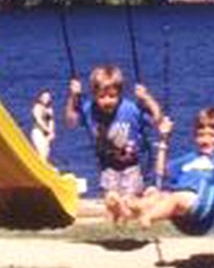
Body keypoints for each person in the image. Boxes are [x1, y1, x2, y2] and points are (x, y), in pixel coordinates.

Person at [66, 64, 163, 225]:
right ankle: (117, 222)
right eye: (102, 97)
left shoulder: (130, 109)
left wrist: (146, 98)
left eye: (112, 96)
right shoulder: (90, 109)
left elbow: (157, 120)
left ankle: (136, 210)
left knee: (128, 202)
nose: (107, 101)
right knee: (111, 202)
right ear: (94, 95)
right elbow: (70, 121)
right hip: (107, 165)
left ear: (120, 94)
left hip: (132, 164)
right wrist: (73, 97)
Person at [134, 104, 214, 235]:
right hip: (183, 215)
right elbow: (162, 172)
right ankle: (127, 208)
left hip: (205, 210)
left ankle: (148, 217)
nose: (206, 140)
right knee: (155, 195)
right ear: (195, 136)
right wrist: (164, 139)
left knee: (175, 198)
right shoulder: (190, 159)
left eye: (213, 135)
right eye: (201, 135)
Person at [29, 89, 56, 161]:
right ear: (40, 98)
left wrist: (51, 131)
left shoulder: (49, 109)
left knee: (46, 151)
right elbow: (38, 120)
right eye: (44, 97)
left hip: (45, 133)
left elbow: (51, 121)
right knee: (41, 151)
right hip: (38, 131)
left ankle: (43, 167)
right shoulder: (37, 107)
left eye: (48, 98)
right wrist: (47, 130)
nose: (46, 99)